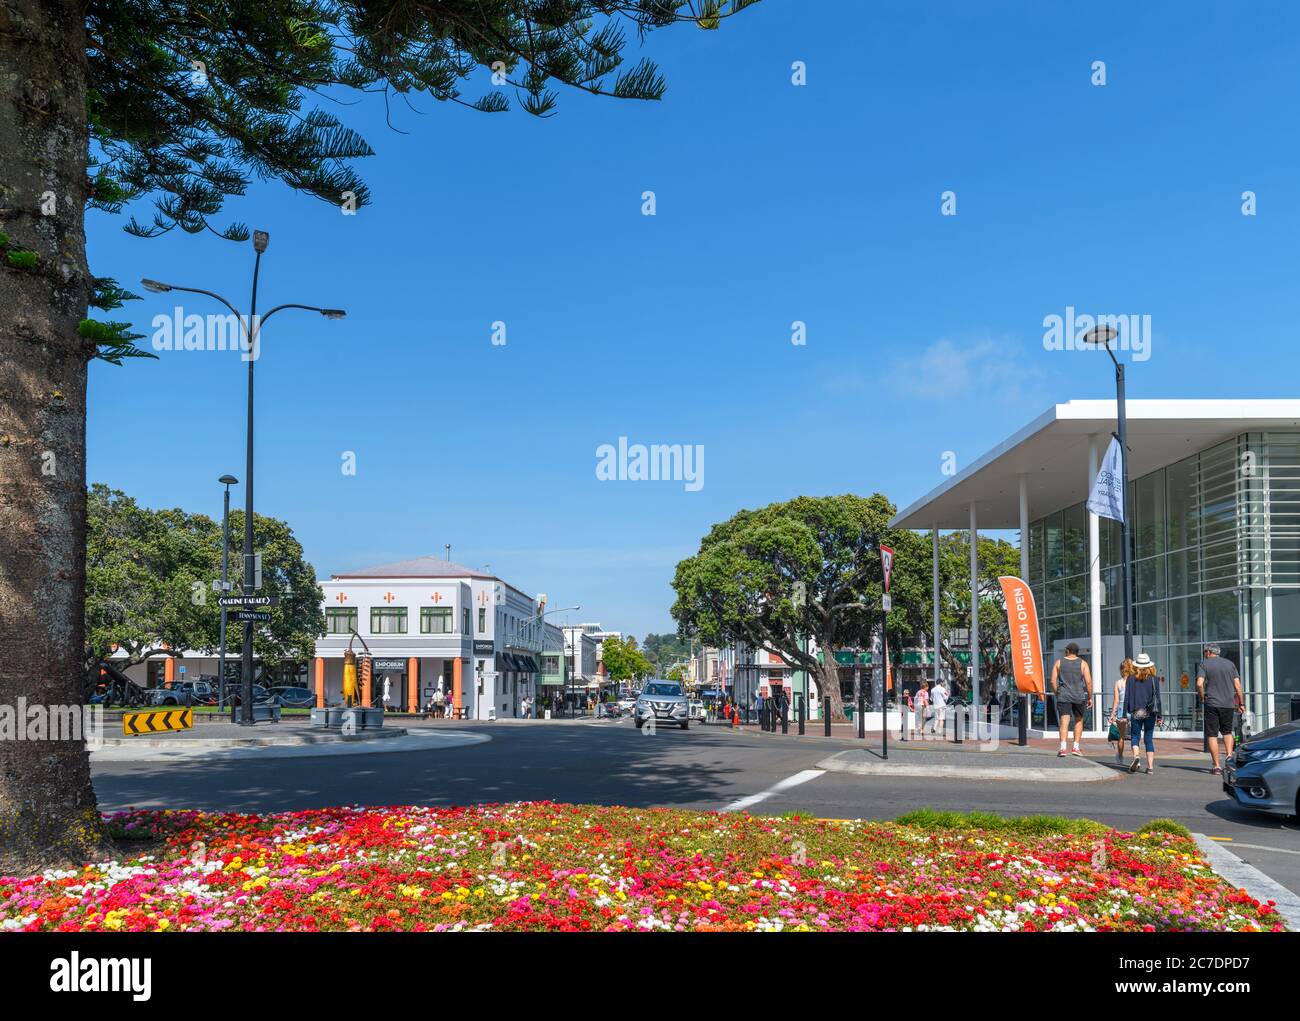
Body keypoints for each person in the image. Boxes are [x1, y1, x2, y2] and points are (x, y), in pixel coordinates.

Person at [1197, 643, 1244, 777]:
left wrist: (1201, 697)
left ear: (1208, 652)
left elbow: (1199, 683)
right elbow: (1238, 686)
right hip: (1228, 704)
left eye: (1204, 652)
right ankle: (1229, 758)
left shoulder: (1204, 664)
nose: (1204, 654)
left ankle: (1216, 765)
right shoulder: (1230, 664)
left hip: (1212, 703)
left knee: (1212, 734)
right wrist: (1241, 703)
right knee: (1227, 731)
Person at [1050, 642, 1093, 757]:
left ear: (1068, 651)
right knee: (1079, 721)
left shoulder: (1059, 662)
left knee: (1064, 722)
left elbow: (1053, 681)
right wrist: (1090, 697)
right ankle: (1075, 747)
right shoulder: (1083, 663)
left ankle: (1063, 748)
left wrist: (1056, 692)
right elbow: (1088, 682)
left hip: (1063, 696)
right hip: (1079, 696)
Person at [1124, 652, 1161, 774]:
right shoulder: (1154, 679)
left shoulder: (1130, 678)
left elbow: (1127, 697)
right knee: (1148, 739)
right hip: (1150, 712)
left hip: (1137, 711)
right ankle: (1150, 767)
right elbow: (1158, 698)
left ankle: (1137, 758)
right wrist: (1159, 715)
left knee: (1135, 737)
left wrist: (1124, 714)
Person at [1107, 658, 1134, 763]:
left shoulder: (1118, 683)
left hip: (1121, 710)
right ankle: (1136, 756)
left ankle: (1120, 757)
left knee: (1121, 736)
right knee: (1135, 735)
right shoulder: (1135, 682)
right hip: (1133, 709)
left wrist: (1112, 715)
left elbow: (1116, 701)